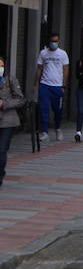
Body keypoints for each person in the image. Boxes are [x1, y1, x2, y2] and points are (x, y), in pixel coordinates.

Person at [33, 32, 69, 141]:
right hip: (45, 84)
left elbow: (66, 69)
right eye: (52, 41)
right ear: (49, 41)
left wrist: (64, 85)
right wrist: (35, 84)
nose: (54, 43)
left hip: (57, 86)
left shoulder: (62, 54)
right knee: (43, 108)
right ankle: (45, 132)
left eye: (56, 41)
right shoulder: (43, 53)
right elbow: (39, 68)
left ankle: (58, 128)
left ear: (58, 41)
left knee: (57, 109)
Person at [0, 57, 24, 188]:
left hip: (7, 120)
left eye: (2, 66)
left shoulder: (10, 80)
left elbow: (20, 99)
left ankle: (0, 174)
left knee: (2, 150)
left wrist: (4, 103)